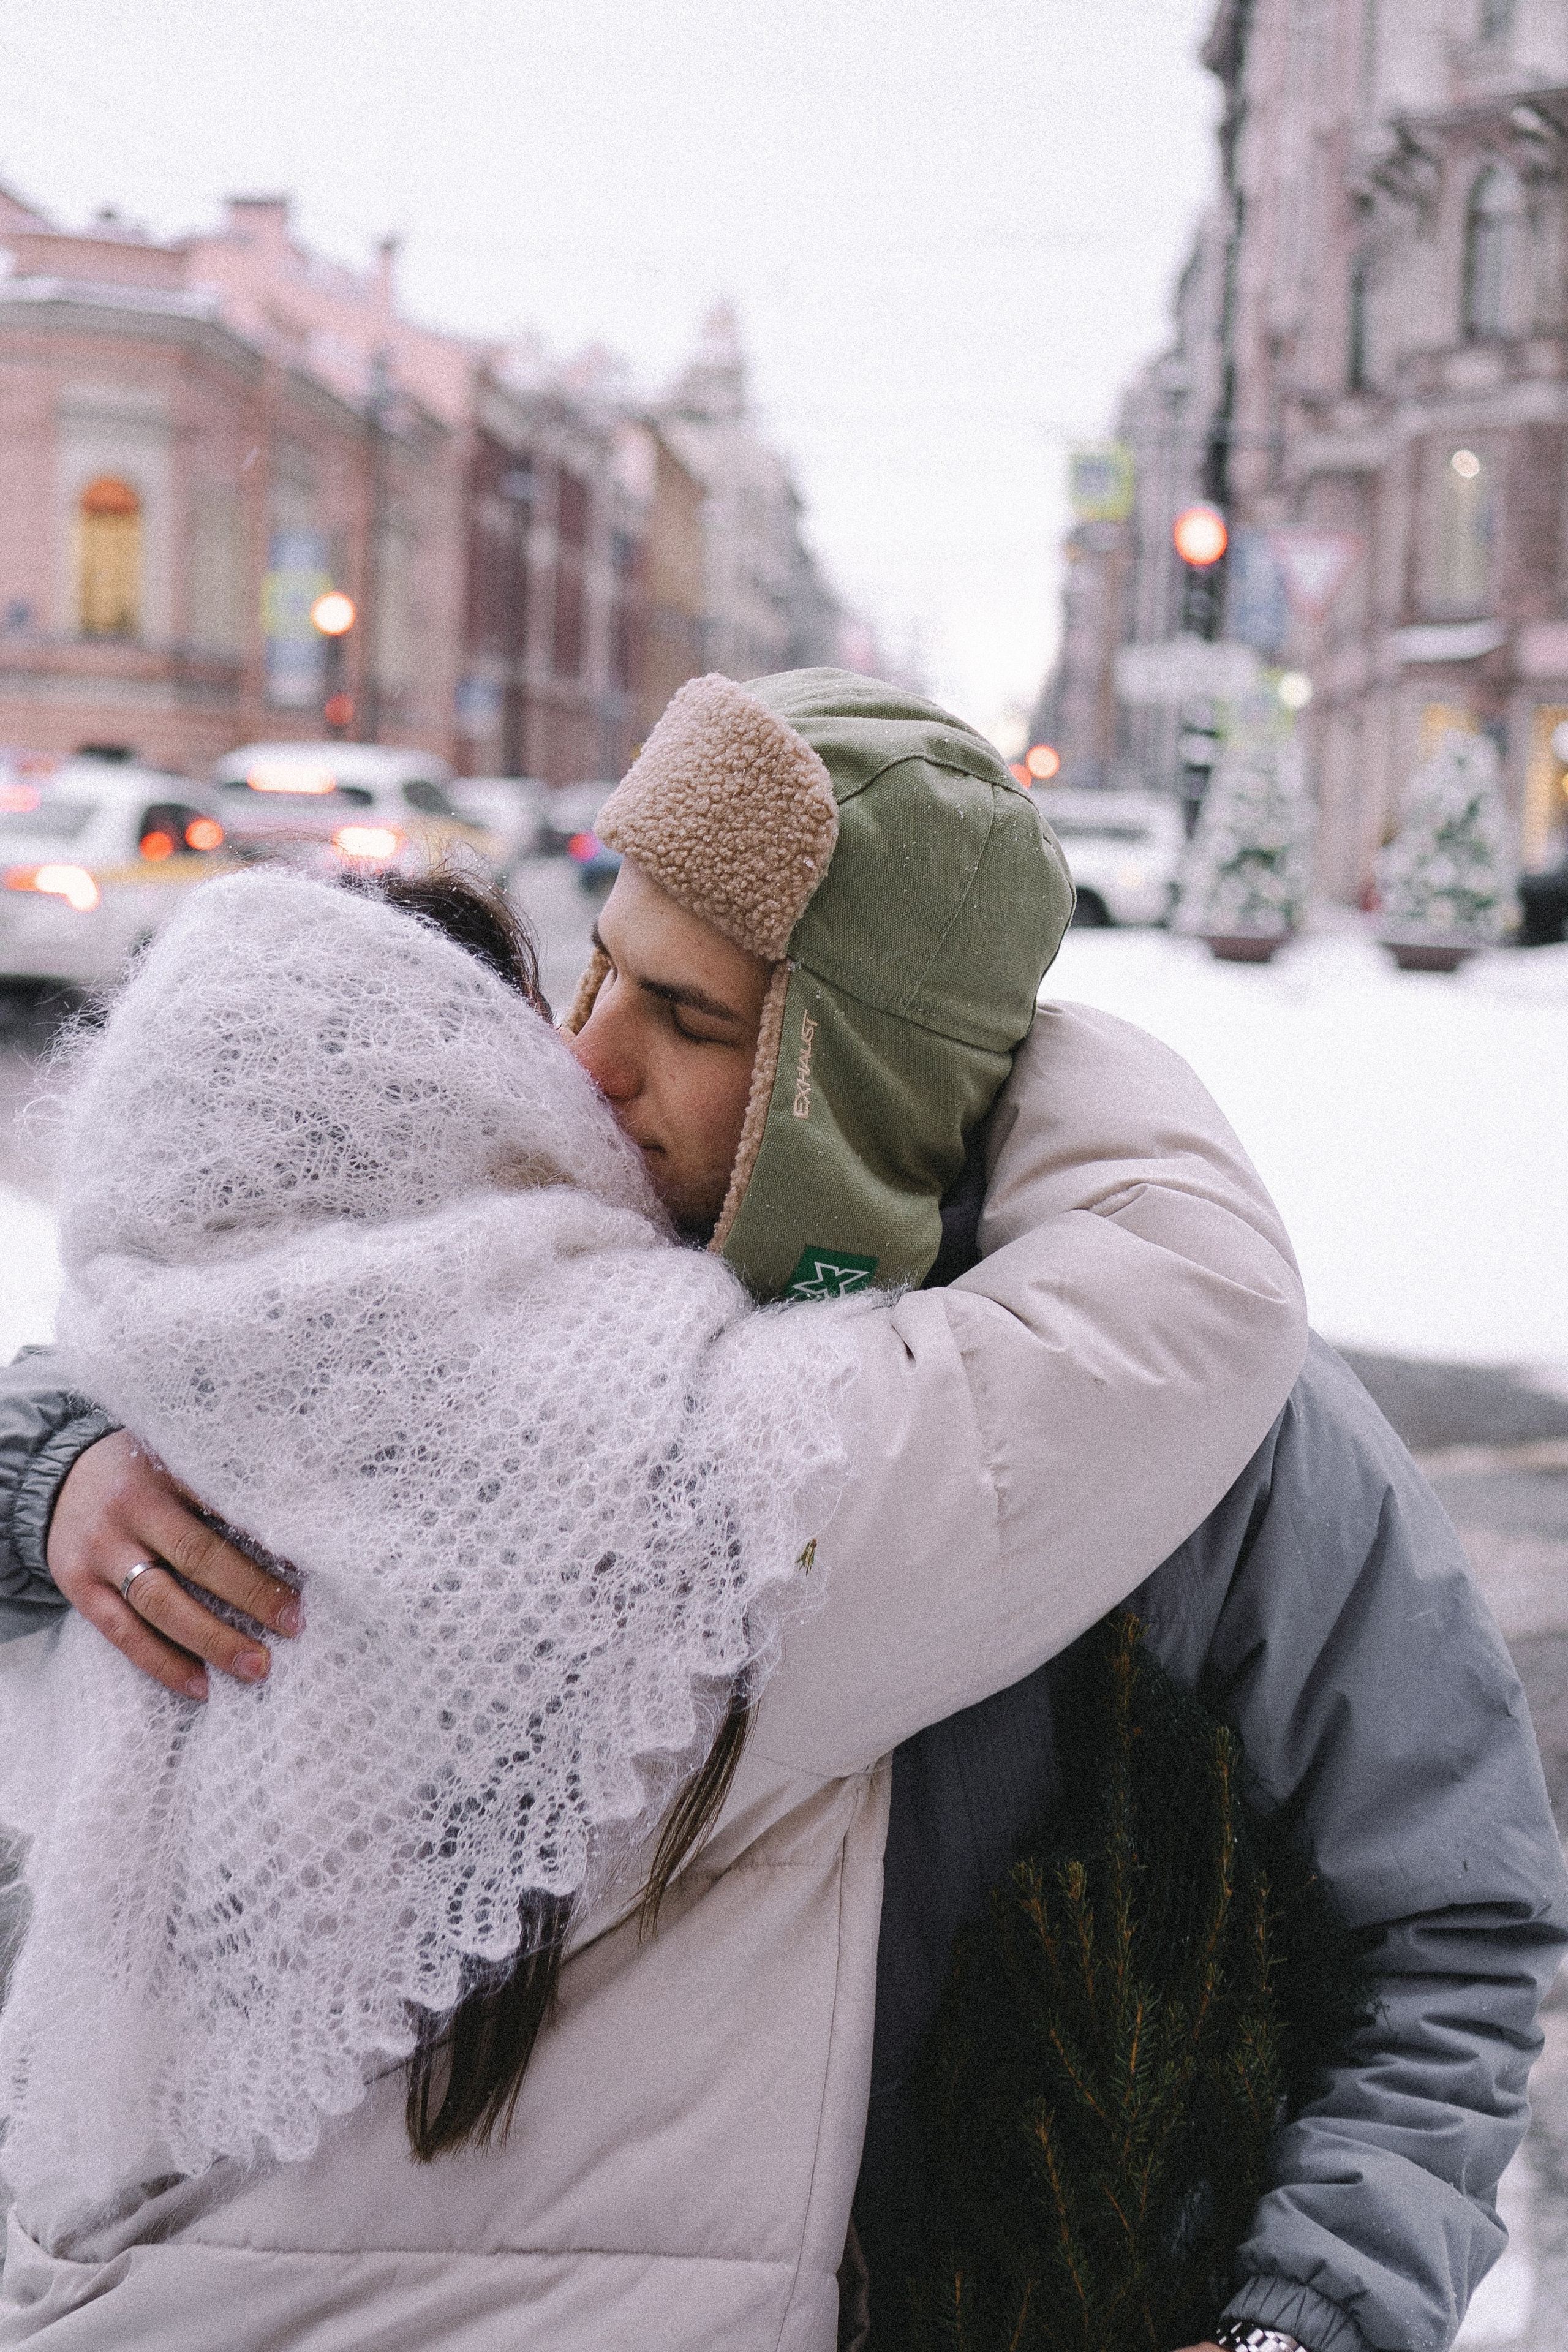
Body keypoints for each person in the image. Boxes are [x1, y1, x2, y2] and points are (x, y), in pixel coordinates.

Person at [0, 672, 1308, 2348]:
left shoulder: (155, 1427)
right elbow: (1196, 1291)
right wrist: (972, 1018)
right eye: (593, 971)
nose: (586, 1056)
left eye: (679, 1012)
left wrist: (40, 1459)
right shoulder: (710, 1475)